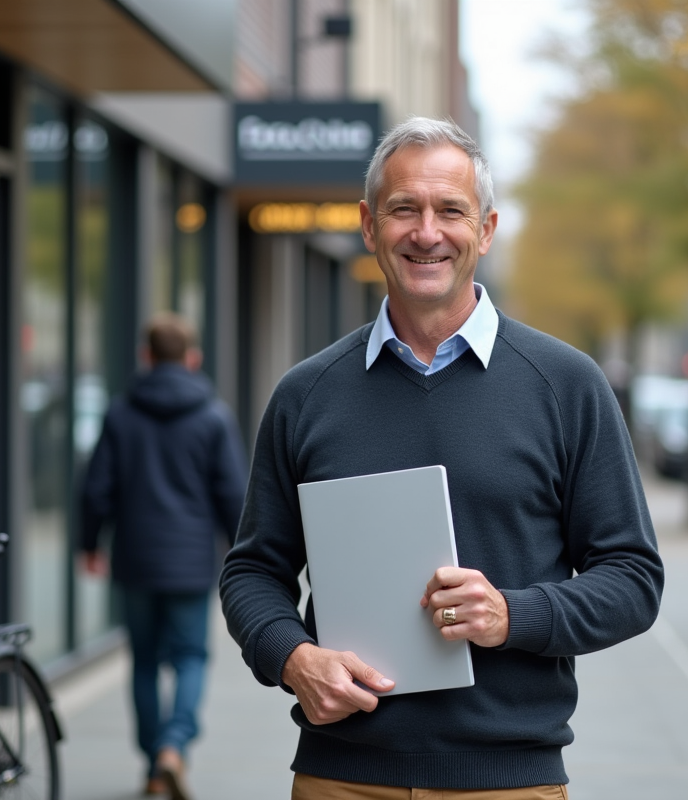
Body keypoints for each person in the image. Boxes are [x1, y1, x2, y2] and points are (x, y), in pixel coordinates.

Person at [219, 117, 664, 798]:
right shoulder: (306, 394)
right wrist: (292, 657)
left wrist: (514, 614)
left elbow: (633, 578)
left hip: (509, 781)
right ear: (369, 227)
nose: (427, 232)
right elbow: (252, 571)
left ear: (484, 230)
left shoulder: (567, 385)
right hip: (342, 777)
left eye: (450, 210)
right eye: (405, 209)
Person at [81, 312, 248, 800]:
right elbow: (234, 496)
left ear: (146, 356)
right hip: (191, 562)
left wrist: (89, 543)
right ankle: (174, 747)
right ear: (192, 359)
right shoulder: (213, 416)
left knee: (145, 663)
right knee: (192, 656)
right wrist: (246, 555)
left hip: (135, 559)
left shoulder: (120, 413)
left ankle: (155, 760)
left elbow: (96, 488)